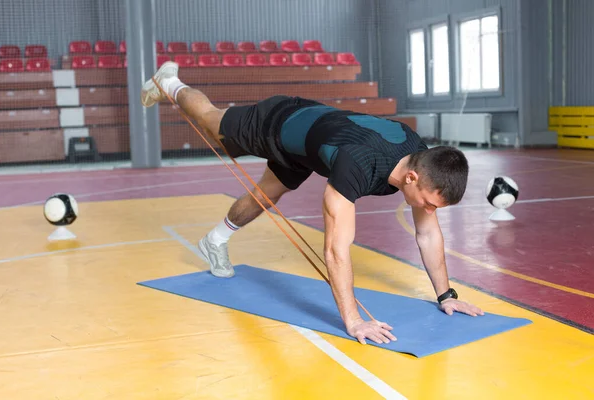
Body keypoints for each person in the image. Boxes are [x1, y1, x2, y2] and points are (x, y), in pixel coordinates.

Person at [141, 61, 484, 345]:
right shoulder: (357, 166)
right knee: (211, 120)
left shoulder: (420, 160)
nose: (428, 212)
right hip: (277, 123)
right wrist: (353, 321)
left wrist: (446, 296)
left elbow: (428, 235)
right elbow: (336, 250)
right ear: (412, 179)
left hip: (310, 147)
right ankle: (170, 82)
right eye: (429, 204)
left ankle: (214, 240)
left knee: (266, 196)